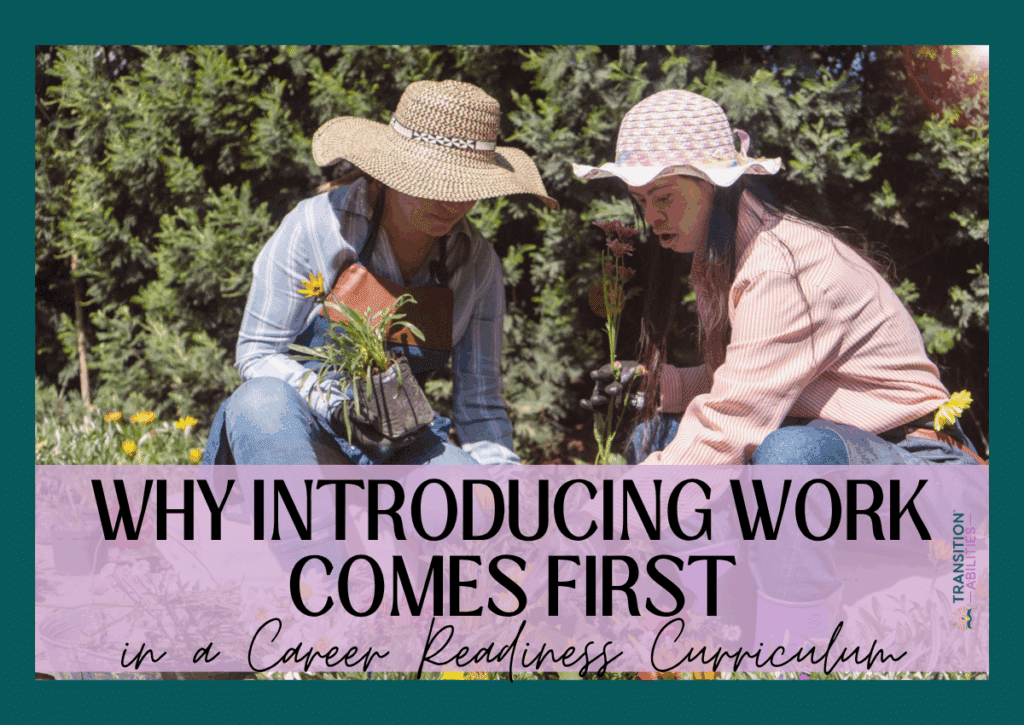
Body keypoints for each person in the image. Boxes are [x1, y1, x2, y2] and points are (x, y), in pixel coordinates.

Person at [573, 89, 985, 652]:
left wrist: (610, 512)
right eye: (641, 200)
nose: (651, 218)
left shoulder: (784, 264)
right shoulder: (729, 254)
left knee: (790, 460)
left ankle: (795, 654)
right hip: (846, 448)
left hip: (925, 466)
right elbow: (746, 381)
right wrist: (658, 386)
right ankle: (695, 635)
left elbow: (736, 420)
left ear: (714, 184)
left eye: (663, 196)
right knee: (654, 431)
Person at [202, 80, 557, 469]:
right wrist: (337, 408)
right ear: (393, 170)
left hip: (400, 446)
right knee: (261, 402)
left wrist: (505, 483)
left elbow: (481, 405)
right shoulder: (317, 225)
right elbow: (257, 352)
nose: (453, 201)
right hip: (299, 429)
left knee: (464, 487)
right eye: (435, 182)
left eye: (467, 186)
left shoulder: (476, 263)